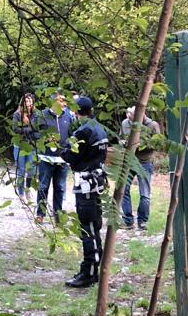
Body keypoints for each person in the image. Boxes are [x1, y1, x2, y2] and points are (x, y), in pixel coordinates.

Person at [62, 96, 109, 288]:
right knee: (95, 225)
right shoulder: (100, 128)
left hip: (86, 184)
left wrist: (62, 148)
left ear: (77, 111)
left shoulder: (83, 131)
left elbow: (70, 155)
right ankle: (94, 267)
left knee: (87, 228)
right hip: (98, 180)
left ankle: (89, 271)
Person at [33, 92, 75, 224]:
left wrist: (69, 148)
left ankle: (58, 214)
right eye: (61, 101)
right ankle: (40, 214)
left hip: (62, 159)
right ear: (53, 102)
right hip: (46, 157)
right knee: (43, 186)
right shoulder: (42, 115)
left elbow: (72, 134)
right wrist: (44, 138)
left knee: (60, 187)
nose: (64, 104)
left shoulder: (68, 116)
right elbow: (32, 132)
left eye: (64, 101)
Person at [119, 107, 162, 230]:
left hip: (145, 162)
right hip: (129, 161)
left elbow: (158, 143)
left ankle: (142, 221)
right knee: (123, 189)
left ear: (141, 115)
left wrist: (141, 144)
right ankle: (128, 221)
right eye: (128, 118)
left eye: (132, 118)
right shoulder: (125, 123)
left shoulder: (152, 125)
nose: (129, 120)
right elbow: (121, 137)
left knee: (145, 194)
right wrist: (123, 143)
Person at [11, 93, 39, 201]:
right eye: (25, 101)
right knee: (21, 171)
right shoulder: (17, 114)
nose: (27, 103)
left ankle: (27, 190)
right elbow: (15, 129)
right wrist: (29, 129)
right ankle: (21, 193)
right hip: (19, 146)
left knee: (31, 171)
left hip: (31, 146)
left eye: (29, 101)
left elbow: (36, 128)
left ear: (32, 102)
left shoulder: (35, 114)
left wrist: (25, 129)